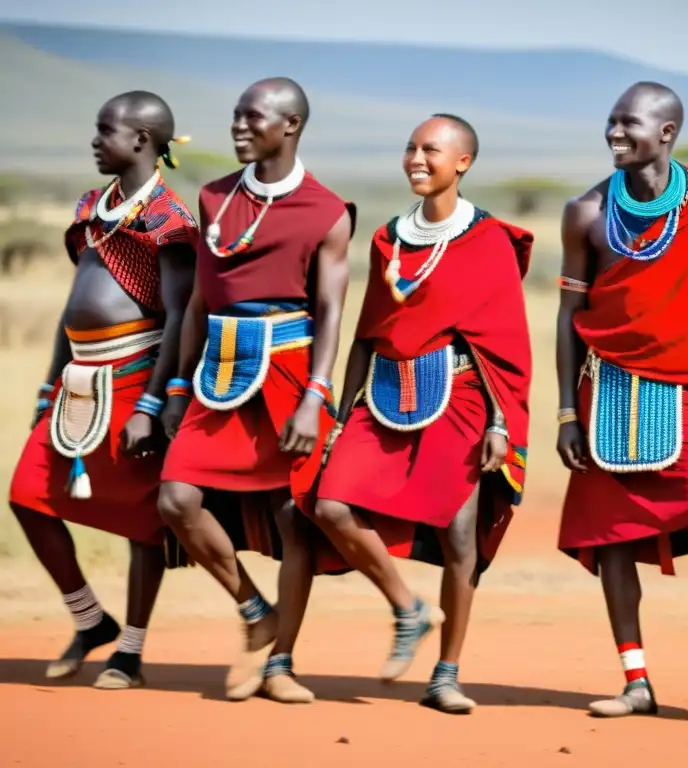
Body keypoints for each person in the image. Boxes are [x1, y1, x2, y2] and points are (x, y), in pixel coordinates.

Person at [555, 82, 688, 719]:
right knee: (613, 537)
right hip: (609, 389)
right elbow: (568, 314)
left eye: (629, 124)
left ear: (667, 133)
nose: (614, 134)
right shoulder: (586, 213)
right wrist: (567, 410)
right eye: (610, 122)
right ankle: (636, 680)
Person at [309, 114, 532, 715]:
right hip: (383, 391)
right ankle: (408, 608)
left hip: (459, 397)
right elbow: (366, 333)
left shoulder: (490, 242)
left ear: (462, 162)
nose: (415, 158)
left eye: (430, 149)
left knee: (461, 539)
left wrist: (500, 424)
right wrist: (337, 416)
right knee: (330, 504)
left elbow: (505, 343)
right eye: (409, 147)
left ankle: (447, 675)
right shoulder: (388, 238)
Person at [157, 77, 355, 704]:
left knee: (293, 519)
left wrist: (316, 394)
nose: (238, 126)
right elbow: (195, 303)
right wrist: (179, 385)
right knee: (176, 499)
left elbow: (331, 311)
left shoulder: (327, 210)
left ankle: (281, 664)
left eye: (253, 117)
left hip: (291, 374)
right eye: (235, 116)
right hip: (216, 374)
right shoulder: (214, 197)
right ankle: (253, 610)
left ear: (292, 124)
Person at [8, 91, 197, 689]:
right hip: (79, 379)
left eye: (105, 131)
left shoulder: (170, 221)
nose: (95, 141)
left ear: (141, 140)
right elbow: (74, 304)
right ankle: (91, 620)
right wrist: (47, 385)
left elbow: (179, 315)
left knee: (144, 521)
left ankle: (131, 653)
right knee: (26, 494)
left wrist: (154, 403)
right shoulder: (94, 206)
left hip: (136, 378)